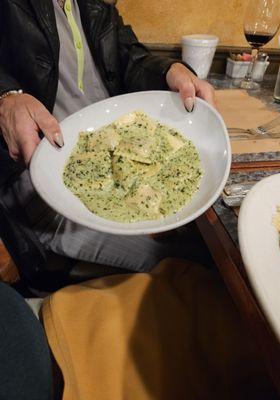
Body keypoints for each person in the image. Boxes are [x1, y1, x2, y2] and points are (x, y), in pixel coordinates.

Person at [0, 0, 216, 272]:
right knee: (190, 262)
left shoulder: (95, 4)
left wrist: (169, 69)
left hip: (121, 149)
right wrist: (6, 98)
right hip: (42, 181)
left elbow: (128, 54)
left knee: (202, 240)